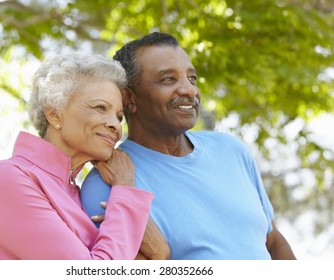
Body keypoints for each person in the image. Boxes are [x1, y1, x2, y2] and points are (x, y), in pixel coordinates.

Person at [80, 32, 297, 260]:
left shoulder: (232, 150)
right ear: (129, 99)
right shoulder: (106, 184)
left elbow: (273, 241)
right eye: (168, 79)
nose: (189, 90)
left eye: (191, 79)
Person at [0, 51, 157, 260]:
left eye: (119, 116)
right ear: (55, 113)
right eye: (101, 107)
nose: (116, 126)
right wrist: (125, 187)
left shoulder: (77, 192)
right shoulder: (8, 178)